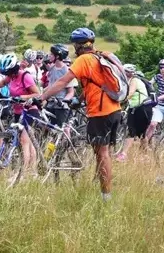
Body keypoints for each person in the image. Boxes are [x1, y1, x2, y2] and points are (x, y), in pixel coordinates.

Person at [39, 27, 121, 202]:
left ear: (78, 45)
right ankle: (102, 189)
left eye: (74, 44)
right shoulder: (99, 56)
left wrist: (42, 97)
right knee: (101, 152)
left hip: (101, 111)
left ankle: (106, 197)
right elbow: (95, 83)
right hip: (114, 109)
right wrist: (80, 99)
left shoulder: (83, 60)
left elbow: (63, 81)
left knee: (103, 153)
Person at [0, 54, 40, 177]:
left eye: (9, 72)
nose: (8, 75)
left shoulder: (25, 77)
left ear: (14, 69)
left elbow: (37, 94)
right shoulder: (10, 77)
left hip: (30, 111)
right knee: (29, 143)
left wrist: (22, 97)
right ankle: (32, 171)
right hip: (18, 112)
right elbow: (2, 82)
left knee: (23, 141)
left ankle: (21, 175)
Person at [116, 64, 153, 162]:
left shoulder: (134, 80)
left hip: (142, 108)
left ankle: (124, 154)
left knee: (136, 132)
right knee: (140, 134)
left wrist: (119, 101)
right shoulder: (128, 81)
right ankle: (145, 156)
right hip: (136, 108)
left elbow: (131, 93)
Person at [44, 44, 76, 128]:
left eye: (51, 54)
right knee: (47, 128)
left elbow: (71, 91)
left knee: (62, 130)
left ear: (57, 56)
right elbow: (51, 86)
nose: (49, 56)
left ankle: (67, 140)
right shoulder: (52, 68)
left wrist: (65, 101)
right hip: (51, 103)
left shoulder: (66, 71)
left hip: (61, 106)